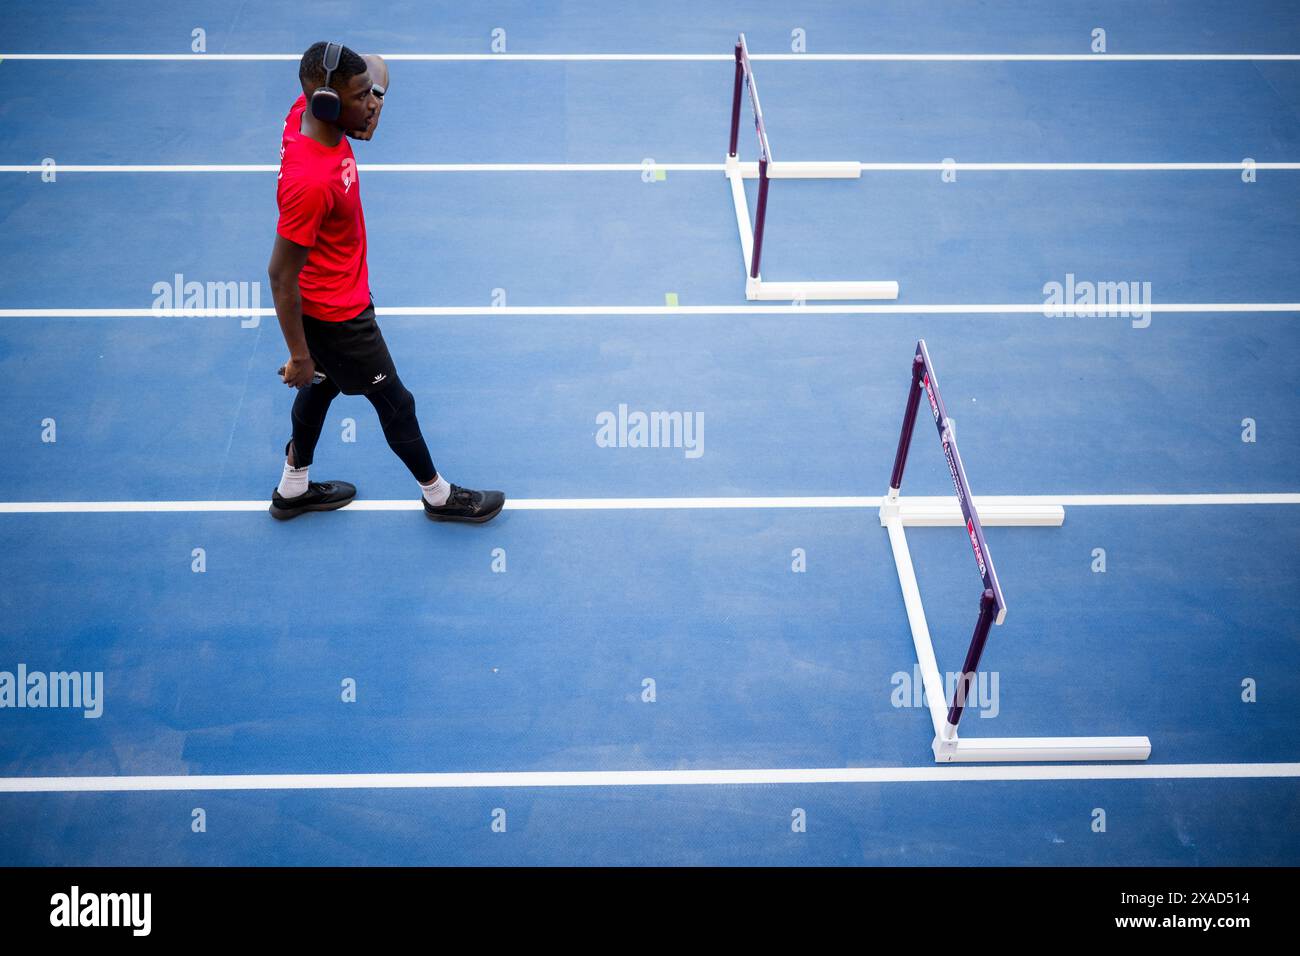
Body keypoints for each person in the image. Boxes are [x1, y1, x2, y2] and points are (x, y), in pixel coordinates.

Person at [266, 41, 504, 523]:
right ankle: (439, 497)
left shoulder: (306, 109)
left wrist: (369, 96)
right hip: (338, 316)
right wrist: (298, 355)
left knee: (321, 388)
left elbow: (377, 64)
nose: (372, 103)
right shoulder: (310, 182)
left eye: (369, 95)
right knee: (395, 402)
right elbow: (280, 275)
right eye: (361, 98)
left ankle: (292, 488)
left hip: (334, 297)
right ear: (328, 104)